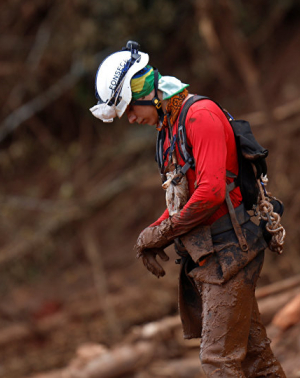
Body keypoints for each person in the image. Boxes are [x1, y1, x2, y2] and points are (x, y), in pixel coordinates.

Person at [90, 41, 286, 378]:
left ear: (145, 92)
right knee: (257, 362)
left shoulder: (200, 116)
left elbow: (210, 192)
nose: (132, 120)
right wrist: (149, 236)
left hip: (231, 253)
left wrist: (164, 232)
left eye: (130, 110)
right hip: (210, 258)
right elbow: (182, 200)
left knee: (217, 362)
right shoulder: (167, 130)